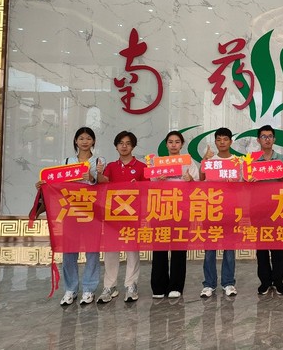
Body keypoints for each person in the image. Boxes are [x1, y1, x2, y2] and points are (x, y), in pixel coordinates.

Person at [35, 127, 103, 306]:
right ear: (75, 141)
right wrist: (43, 185)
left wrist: (93, 177)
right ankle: (70, 289)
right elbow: (56, 184)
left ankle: (89, 289)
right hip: (70, 212)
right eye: (81, 138)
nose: (85, 141)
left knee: (92, 251)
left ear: (93, 141)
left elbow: (104, 186)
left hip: (91, 212)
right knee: (69, 251)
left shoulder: (99, 161)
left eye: (88, 138)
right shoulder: (67, 162)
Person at [96, 131, 147, 303]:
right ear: (116, 146)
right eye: (121, 143)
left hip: (133, 216)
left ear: (133, 146)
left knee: (132, 251)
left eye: (128, 143)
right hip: (112, 215)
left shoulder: (141, 167)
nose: (124, 146)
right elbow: (102, 183)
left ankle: (131, 285)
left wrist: (138, 186)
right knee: (111, 251)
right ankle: (109, 286)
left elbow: (148, 190)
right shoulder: (110, 166)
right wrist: (99, 174)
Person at [150, 131, 199, 300]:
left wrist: (190, 179)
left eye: (177, 142)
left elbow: (198, 183)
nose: (173, 145)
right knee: (160, 247)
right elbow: (150, 183)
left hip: (181, 210)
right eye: (170, 142)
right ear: (166, 144)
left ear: (182, 144)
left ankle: (176, 286)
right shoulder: (158, 162)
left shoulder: (188, 161)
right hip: (161, 209)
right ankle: (158, 286)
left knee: (179, 248)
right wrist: (158, 178)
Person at [199, 127, 238, 298]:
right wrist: (204, 159)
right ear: (215, 142)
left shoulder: (237, 162)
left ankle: (228, 283)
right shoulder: (210, 160)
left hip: (230, 210)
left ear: (231, 142)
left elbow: (244, 185)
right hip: (211, 209)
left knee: (229, 248)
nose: (222, 142)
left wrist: (234, 185)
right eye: (219, 139)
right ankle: (209, 284)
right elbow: (201, 179)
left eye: (225, 139)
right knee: (210, 248)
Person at [254, 125, 283, 296]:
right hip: (258, 208)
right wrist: (249, 179)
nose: (267, 139)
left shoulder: (281, 158)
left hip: (277, 208)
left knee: (278, 246)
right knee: (261, 247)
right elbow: (246, 181)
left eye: (270, 136)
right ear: (258, 140)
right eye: (263, 136)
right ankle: (265, 282)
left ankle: (278, 281)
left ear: (274, 139)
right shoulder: (252, 160)